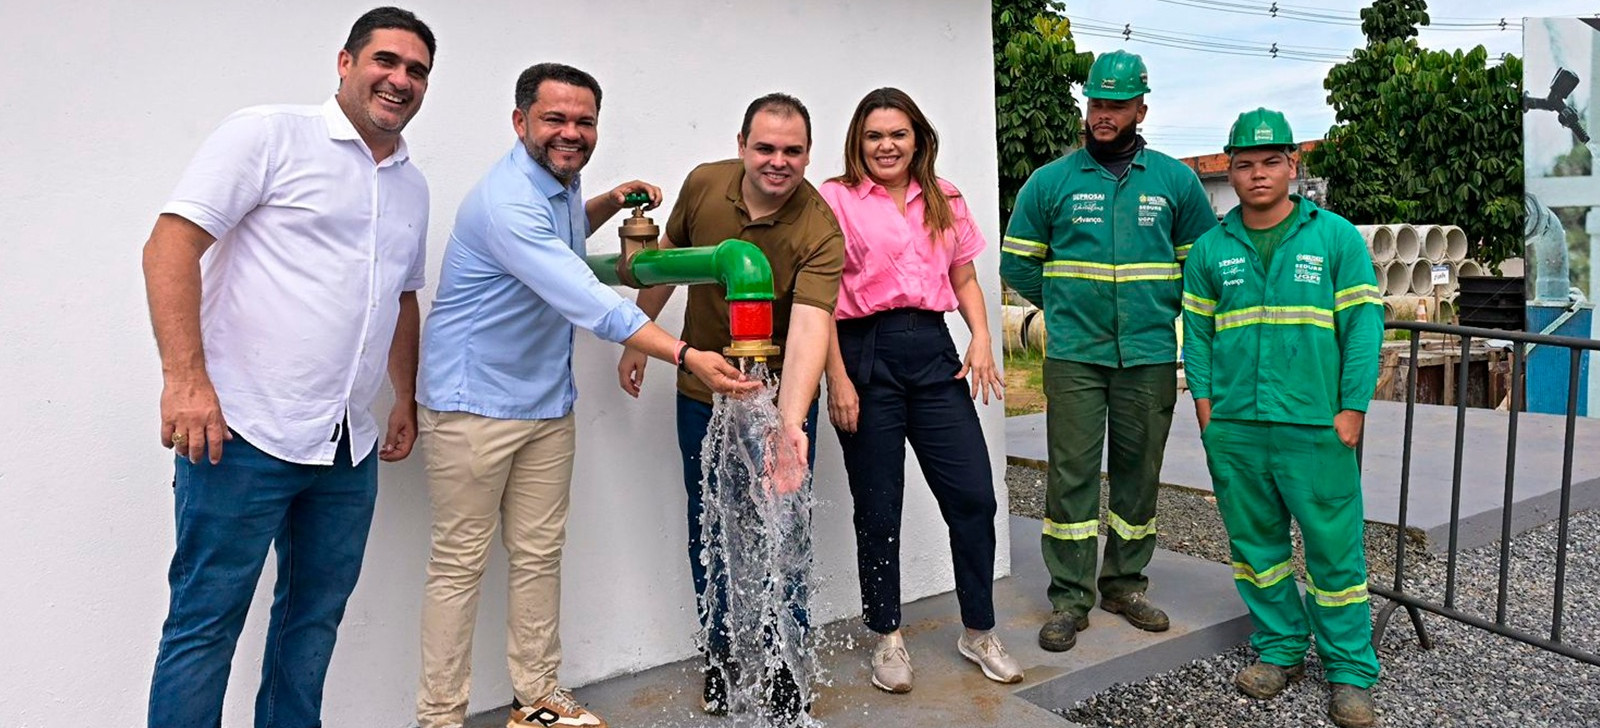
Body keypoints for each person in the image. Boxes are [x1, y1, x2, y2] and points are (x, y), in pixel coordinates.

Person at [413, 63, 755, 728]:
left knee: (539, 556)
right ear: (520, 124)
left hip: (544, 402)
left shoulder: (560, 185)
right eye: (555, 120)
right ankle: (440, 718)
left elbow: (565, 237)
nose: (571, 132)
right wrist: (686, 354)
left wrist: (607, 203)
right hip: (471, 407)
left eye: (584, 121)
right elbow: (589, 301)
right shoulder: (506, 201)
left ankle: (536, 696)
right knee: (459, 567)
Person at [140, 8, 435, 727]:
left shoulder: (410, 185)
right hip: (240, 434)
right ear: (345, 62)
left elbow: (399, 298)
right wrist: (185, 381)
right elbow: (169, 248)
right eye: (385, 61)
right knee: (205, 625)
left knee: (311, 627)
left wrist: (404, 397)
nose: (400, 80)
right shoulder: (267, 134)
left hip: (345, 449)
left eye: (417, 70)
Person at [616, 92, 844, 721]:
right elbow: (662, 262)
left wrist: (789, 424)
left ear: (807, 154)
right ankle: (719, 658)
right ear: (742, 144)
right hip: (701, 396)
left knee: (786, 533)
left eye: (792, 151)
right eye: (765, 148)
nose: (778, 162)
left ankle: (784, 667)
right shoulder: (703, 184)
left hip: (778, 401)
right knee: (710, 528)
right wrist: (643, 338)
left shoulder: (819, 229)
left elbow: (809, 329)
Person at [999, 49, 1218, 652]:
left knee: (1138, 474)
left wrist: (1160, 308)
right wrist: (1065, 305)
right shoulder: (1052, 182)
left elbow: (1199, 263)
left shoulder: (1175, 181)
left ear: (1140, 108)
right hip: (1074, 355)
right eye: (1096, 103)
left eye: (1116, 105)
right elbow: (1016, 260)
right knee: (1070, 477)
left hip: (1147, 354)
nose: (1103, 114)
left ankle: (1123, 583)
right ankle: (1070, 599)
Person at [1182, 108, 1383, 728]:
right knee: (1256, 549)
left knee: (1334, 554)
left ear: (1293, 166)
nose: (1258, 174)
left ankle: (1349, 672)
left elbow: (1363, 329)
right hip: (1238, 429)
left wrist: (1350, 412)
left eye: (1272, 161)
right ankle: (1280, 648)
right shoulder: (1211, 249)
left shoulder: (1336, 239)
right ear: (1229, 170)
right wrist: (1209, 415)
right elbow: (1199, 337)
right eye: (1245, 164)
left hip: (1316, 427)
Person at [817, 87, 1018, 692]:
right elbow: (818, 296)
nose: (887, 145)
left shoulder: (945, 196)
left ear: (918, 138)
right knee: (878, 509)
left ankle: (978, 629)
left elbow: (964, 276)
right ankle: (888, 637)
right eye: (875, 135)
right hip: (863, 353)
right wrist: (837, 377)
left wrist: (980, 336)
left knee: (974, 498)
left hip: (933, 353)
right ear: (859, 141)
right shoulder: (833, 198)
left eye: (898, 134)